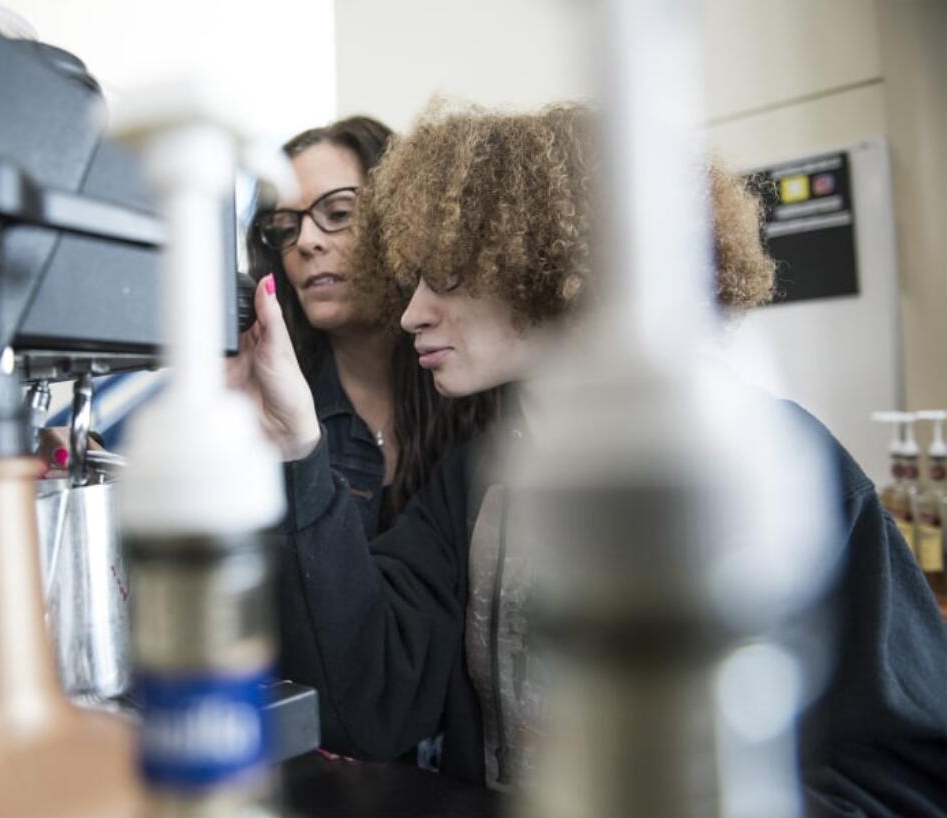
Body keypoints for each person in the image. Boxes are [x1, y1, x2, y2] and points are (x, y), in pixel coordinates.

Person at [234, 103, 947, 814]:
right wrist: (299, 445)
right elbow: (370, 700)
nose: (413, 312)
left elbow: (902, 780)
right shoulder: (477, 480)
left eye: (443, 276)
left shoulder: (781, 466)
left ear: (549, 263)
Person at [242, 116, 494, 537]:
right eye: (286, 227)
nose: (306, 242)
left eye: (338, 213)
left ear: (403, 221)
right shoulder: (267, 402)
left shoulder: (481, 392)